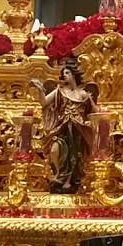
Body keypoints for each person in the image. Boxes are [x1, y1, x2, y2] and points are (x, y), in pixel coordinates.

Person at [32, 58, 98, 194]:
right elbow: (44, 103)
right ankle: (58, 174)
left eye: (67, 73)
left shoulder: (83, 94)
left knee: (74, 156)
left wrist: (92, 122)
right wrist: (39, 89)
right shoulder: (59, 91)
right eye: (64, 73)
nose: (64, 76)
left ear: (73, 74)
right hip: (61, 127)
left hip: (78, 129)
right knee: (55, 150)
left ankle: (68, 181)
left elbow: (94, 112)